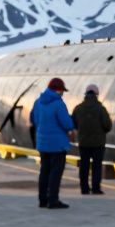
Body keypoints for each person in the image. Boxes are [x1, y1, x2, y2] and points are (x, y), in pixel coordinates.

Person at [29, 78, 74, 209]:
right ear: (59, 90)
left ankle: (42, 200)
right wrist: (71, 126)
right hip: (58, 145)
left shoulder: (38, 102)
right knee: (55, 173)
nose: (63, 93)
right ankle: (53, 200)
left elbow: (34, 119)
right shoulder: (59, 104)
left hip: (43, 143)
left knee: (44, 172)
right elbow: (67, 124)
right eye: (62, 91)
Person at [72, 83, 112, 194]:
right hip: (98, 143)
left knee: (84, 166)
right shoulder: (101, 109)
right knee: (96, 167)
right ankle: (96, 188)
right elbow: (107, 125)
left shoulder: (78, 108)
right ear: (96, 95)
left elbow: (73, 123)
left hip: (83, 142)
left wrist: (81, 131)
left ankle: (84, 188)